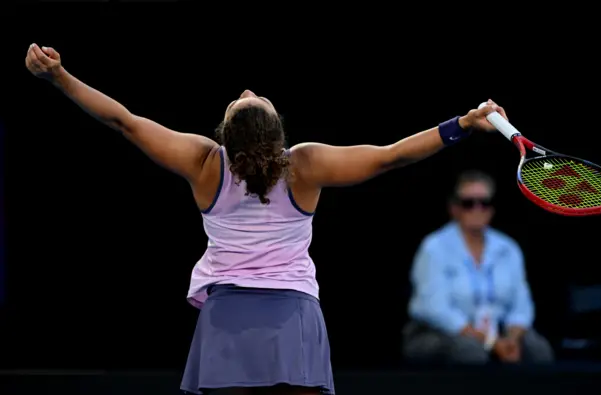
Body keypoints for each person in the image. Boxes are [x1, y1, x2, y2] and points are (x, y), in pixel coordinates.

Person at [26, 43, 506, 395]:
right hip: (293, 314)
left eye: (244, 99)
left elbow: (123, 121)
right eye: (250, 99)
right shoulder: (304, 166)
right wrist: (461, 125)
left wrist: (60, 78)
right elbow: (390, 157)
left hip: (226, 318)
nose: (248, 89)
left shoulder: (205, 163)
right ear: (277, 137)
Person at [403, 170, 554, 365]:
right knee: (470, 353)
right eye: (468, 203)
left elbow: (521, 305)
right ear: (454, 208)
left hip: (496, 330)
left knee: (537, 349)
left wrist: (512, 339)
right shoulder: (434, 248)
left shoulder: (508, 248)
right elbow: (436, 310)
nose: (477, 209)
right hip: (438, 332)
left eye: (484, 203)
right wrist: (490, 342)